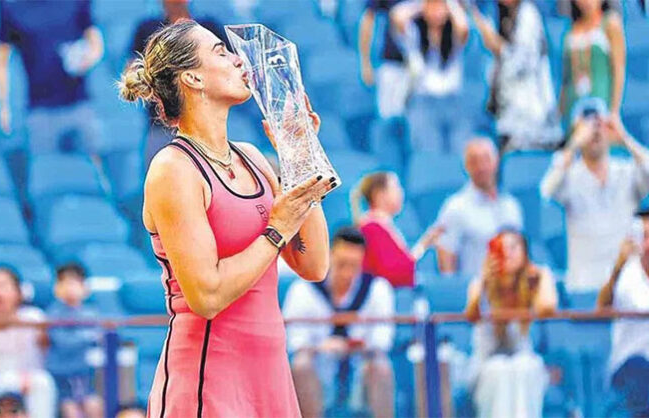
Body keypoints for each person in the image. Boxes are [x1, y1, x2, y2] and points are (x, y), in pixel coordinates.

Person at [119, 20, 336, 417]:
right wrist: (276, 230)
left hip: (270, 378)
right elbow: (207, 297)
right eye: (221, 51)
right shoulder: (173, 168)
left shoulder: (253, 157)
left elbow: (314, 264)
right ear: (193, 78)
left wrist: (300, 156)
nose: (238, 59)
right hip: (206, 381)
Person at [282, 227, 395, 417]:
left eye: (354, 265)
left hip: (360, 368)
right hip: (319, 369)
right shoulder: (303, 290)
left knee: (381, 366)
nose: (347, 273)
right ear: (330, 256)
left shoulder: (378, 289)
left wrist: (352, 346)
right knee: (301, 364)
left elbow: (382, 339)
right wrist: (321, 347)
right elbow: (294, 340)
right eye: (342, 264)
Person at [540, 98, 649, 291]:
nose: (594, 132)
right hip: (584, 283)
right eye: (587, 126)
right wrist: (574, 143)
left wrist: (624, 138)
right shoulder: (569, 175)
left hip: (626, 284)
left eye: (600, 124)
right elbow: (547, 190)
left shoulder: (626, 171)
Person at [464, 229, 558, 418]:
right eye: (501, 248)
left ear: (525, 252)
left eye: (514, 247)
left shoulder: (536, 281)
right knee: (499, 368)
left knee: (526, 365)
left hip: (524, 363)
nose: (508, 253)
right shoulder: (479, 283)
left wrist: (543, 276)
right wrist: (483, 280)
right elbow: (471, 315)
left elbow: (548, 307)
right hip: (486, 364)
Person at [0, 0, 104, 154]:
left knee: (95, 158)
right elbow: (2, 60)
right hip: (40, 109)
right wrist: (3, 106)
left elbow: (94, 38)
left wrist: (88, 58)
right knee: (45, 163)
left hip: (79, 102)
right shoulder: (11, 5)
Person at [128, 0, 225, 168]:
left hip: (206, 127)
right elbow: (132, 70)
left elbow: (225, 69)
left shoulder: (209, 28)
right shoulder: (147, 29)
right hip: (161, 128)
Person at [470, 0, 562, 151]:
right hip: (504, 116)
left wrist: (496, 45)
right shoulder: (498, 13)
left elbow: (520, 64)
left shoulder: (528, 14)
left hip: (530, 117)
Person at [0, 267, 56, 418]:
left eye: (2, 286)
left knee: (43, 382)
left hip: (33, 378)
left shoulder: (34, 318)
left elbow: (50, 349)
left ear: (18, 291)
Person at [436, 138, 524, 278]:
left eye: (486, 159)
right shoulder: (455, 207)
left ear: (496, 161)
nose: (482, 167)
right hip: (476, 288)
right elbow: (446, 264)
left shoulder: (511, 205)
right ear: (466, 166)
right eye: (474, 161)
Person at [391, 0, 471, 154]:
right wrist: (423, 5)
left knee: (459, 150)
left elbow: (463, 26)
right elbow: (397, 16)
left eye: (440, 6)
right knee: (427, 150)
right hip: (423, 101)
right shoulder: (414, 33)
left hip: (453, 101)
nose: (436, 12)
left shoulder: (454, 34)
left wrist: (449, 4)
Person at [597, 210, 649, 417]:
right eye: (645, 236)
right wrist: (621, 261)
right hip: (630, 367)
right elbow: (642, 305)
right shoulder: (629, 272)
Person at [351, 171, 443, 287]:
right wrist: (423, 245)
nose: (401, 193)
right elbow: (393, 273)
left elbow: (401, 265)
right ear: (379, 195)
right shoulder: (371, 229)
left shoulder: (383, 226)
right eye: (395, 188)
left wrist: (424, 244)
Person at [46, 263, 103, 418]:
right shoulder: (53, 313)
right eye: (64, 282)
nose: (69, 287)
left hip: (85, 376)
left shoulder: (92, 313)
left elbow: (100, 336)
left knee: (95, 407)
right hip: (61, 377)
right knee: (71, 412)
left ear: (85, 287)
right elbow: (62, 341)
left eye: (74, 282)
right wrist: (87, 336)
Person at [560, 0, 625, 131]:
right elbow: (566, 79)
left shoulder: (610, 23)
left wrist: (614, 111)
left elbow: (619, 70)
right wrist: (560, 113)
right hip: (574, 106)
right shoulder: (571, 29)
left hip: (601, 104)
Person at [359, 0, 411, 119]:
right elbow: (368, 18)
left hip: (429, 67)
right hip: (393, 65)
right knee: (388, 120)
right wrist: (365, 62)